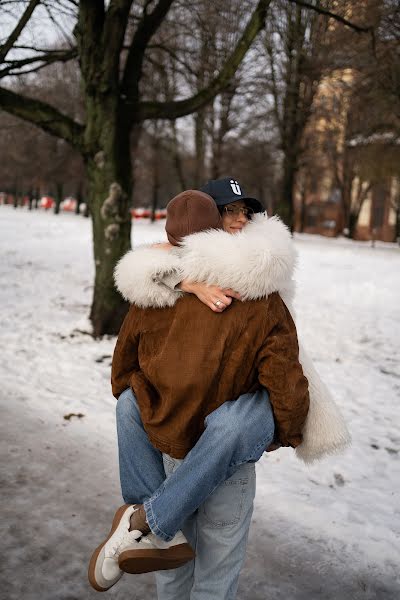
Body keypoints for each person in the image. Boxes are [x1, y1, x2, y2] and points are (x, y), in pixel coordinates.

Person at [88, 180, 349, 598]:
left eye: (247, 212)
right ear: (210, 220)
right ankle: (149, 524)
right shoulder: (254, 291)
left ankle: (142, 521)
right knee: (215, 574)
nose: (241, 221)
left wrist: (156, 405)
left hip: (172, 451)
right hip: (227, 465)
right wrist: (279, 430)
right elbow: (284, 379)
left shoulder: (156, 287)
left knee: (173, 569)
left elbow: (123, 375)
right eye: (229, 212)